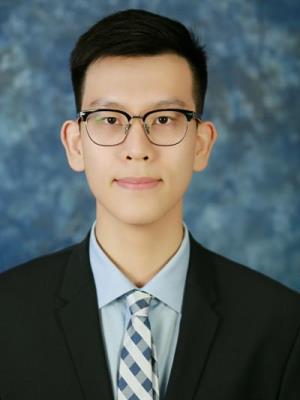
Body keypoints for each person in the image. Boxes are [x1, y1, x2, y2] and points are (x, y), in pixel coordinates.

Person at [0, 8, 299, 400]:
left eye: (164, 119)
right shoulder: (7, 315)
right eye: (109, 119)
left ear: (202, 144)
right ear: (75, 144)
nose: (137, 149)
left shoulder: (282, 325)